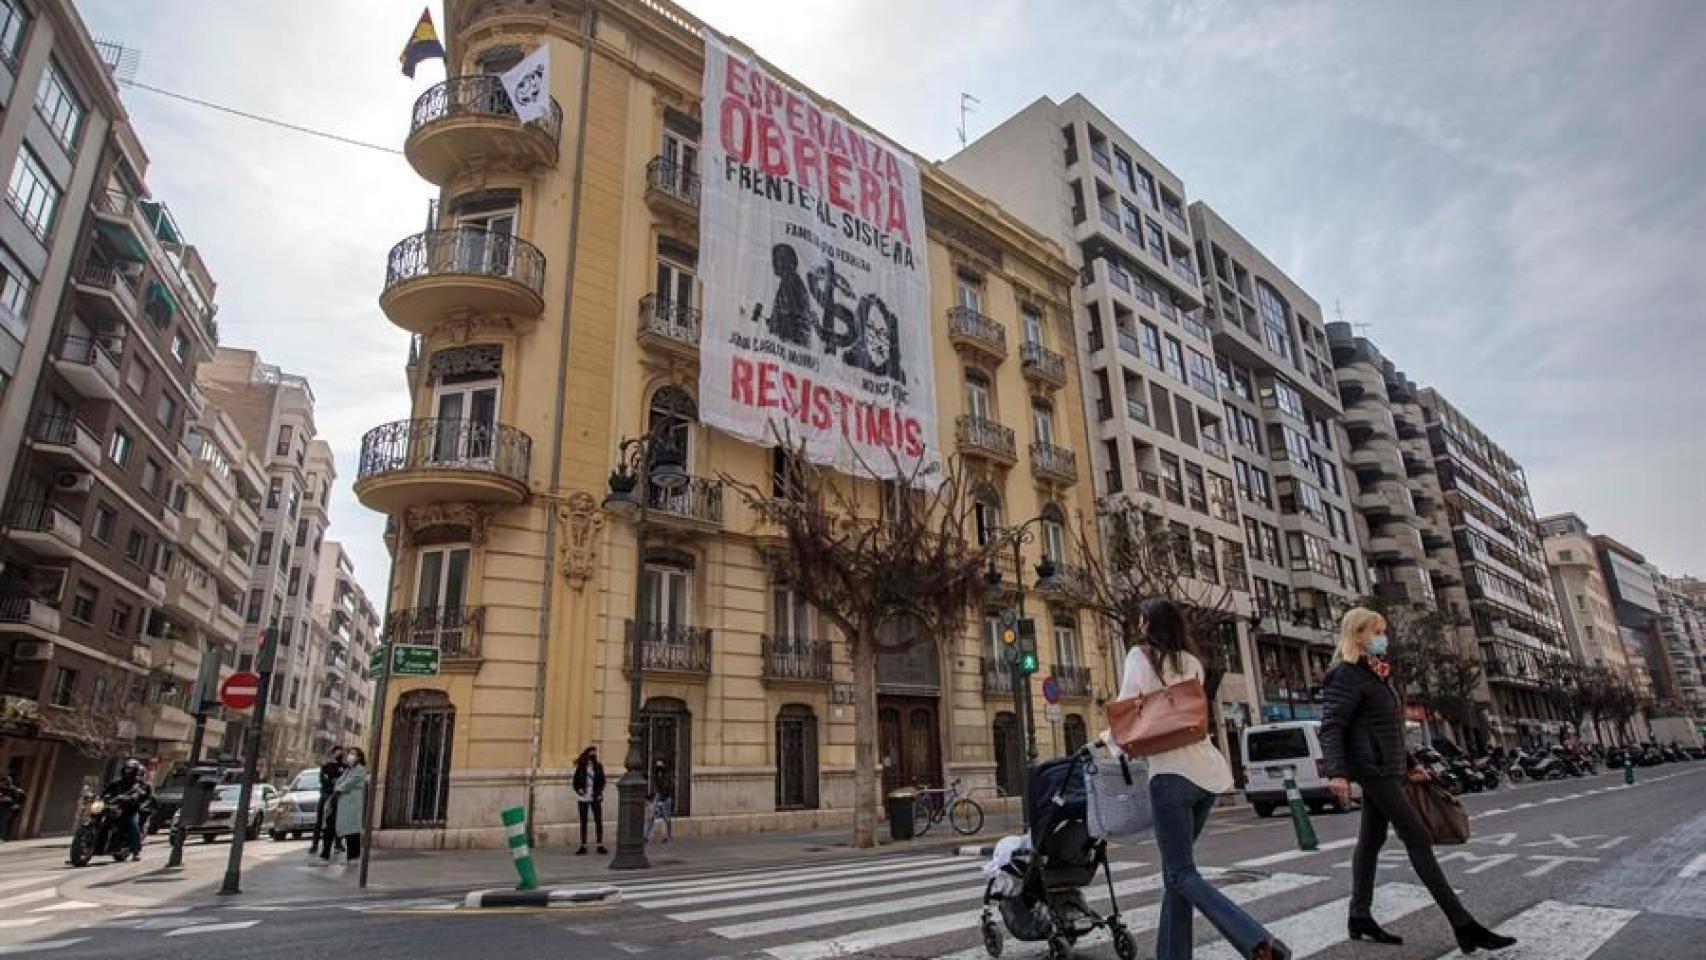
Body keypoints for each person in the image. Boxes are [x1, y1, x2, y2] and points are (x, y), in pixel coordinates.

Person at [1322, 608, 1516, 954]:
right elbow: (1333, 724)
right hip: (1374, 769)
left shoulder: (1374, 673)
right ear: (1358, 634)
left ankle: (1359, 916)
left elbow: (1388, 727)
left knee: (1371, 840)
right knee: (1417, 838)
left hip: (1391, 766)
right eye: (1377, 631)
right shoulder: (1345, 674)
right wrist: (1337, 772)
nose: (1384, 637)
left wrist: (1411, 763)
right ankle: (1464, 925)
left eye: (1384, 631)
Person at [1108, 598, 1289, 960]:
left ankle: (1257, 941)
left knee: (1180, 873)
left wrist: (1107, 743)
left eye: (1142, 620)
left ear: (1148, 624)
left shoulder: (1139, 656)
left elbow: (1129, 710)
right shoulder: (1192, 662)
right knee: (1176, 876)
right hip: (1207, 776)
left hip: (1170, 778)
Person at [100, 759, 152, 859]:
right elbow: (105, 791)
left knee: (133, 824)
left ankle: (136, 852)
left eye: (130, 770)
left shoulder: (140, 784)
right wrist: (99, 796)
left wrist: (134, 797)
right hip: (114, 808)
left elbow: (142, 794)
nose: (128, 772)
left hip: (130, 811)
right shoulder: (117, 783)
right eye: (126, 769)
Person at [328, 747, 366, 865]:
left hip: (353, 803)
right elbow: (339, 781)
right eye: (350, 753)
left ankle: (354, 857)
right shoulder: (349, 769)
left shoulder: (360, 769)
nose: (350, 756)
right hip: (346, 803)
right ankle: (350, 857)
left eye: (353, 754)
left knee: (353, 830)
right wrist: (339, 786)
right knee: (349, 830)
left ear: (359, 757)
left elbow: (349, 783)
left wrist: (339, 788)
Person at [572, 746, 607, 855]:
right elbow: (575, 782)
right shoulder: (581, 768)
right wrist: (579, 790)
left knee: (598, 820)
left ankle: (600, 844)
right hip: (583, 798)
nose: (593, 756)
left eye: (594, 754)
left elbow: (602, 781)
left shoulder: (598, 767)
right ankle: (583, 845)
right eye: (592, 754)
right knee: (583, 821)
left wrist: (598, 792)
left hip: (595, 797)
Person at [310, 748, 345, 856]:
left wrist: (334, 781)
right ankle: (315, 844)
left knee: (337, 821)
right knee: (319, 821)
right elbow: (324, 781)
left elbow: (343, 781)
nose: (339, 755)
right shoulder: (326, 766)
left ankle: (338, 844)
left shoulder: (344, 767)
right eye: (337, 753)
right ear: (333, 754)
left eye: (341, 753)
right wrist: (333, 781)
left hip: (338, 797)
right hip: (325, 796)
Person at [644, 758, 673, 845]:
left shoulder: (666, 776)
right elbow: (655, 787)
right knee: (651, 817)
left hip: (664, 797)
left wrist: (662, 799)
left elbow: (666, 787)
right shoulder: (656, 775)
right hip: (658, 796)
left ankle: (668, 836)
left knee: (666, 818)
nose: (658, 769)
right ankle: (646, 836)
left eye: (660, 766)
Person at [0, 774, 24, 841]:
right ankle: (5, 837)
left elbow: (19, 798)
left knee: (3, 822)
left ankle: (3, 837)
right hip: (3, 807)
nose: (2, 784)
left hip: (8, 808)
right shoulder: (2, 788)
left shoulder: (13, 789)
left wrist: (15, 803)